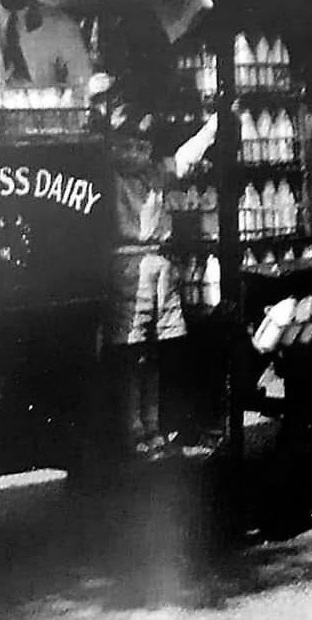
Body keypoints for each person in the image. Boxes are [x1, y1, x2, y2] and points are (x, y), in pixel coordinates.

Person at [107, 109, 218, 460]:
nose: (134, 154)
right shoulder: (110, 179)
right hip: (129, 265)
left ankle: (153, 426)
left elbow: (186, 157)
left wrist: (214, 126)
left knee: (154, 353)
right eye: (126, 146)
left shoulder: (155, 173)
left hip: (160, 265)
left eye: (141, 147)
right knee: (132, 354)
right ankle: (133, 429)